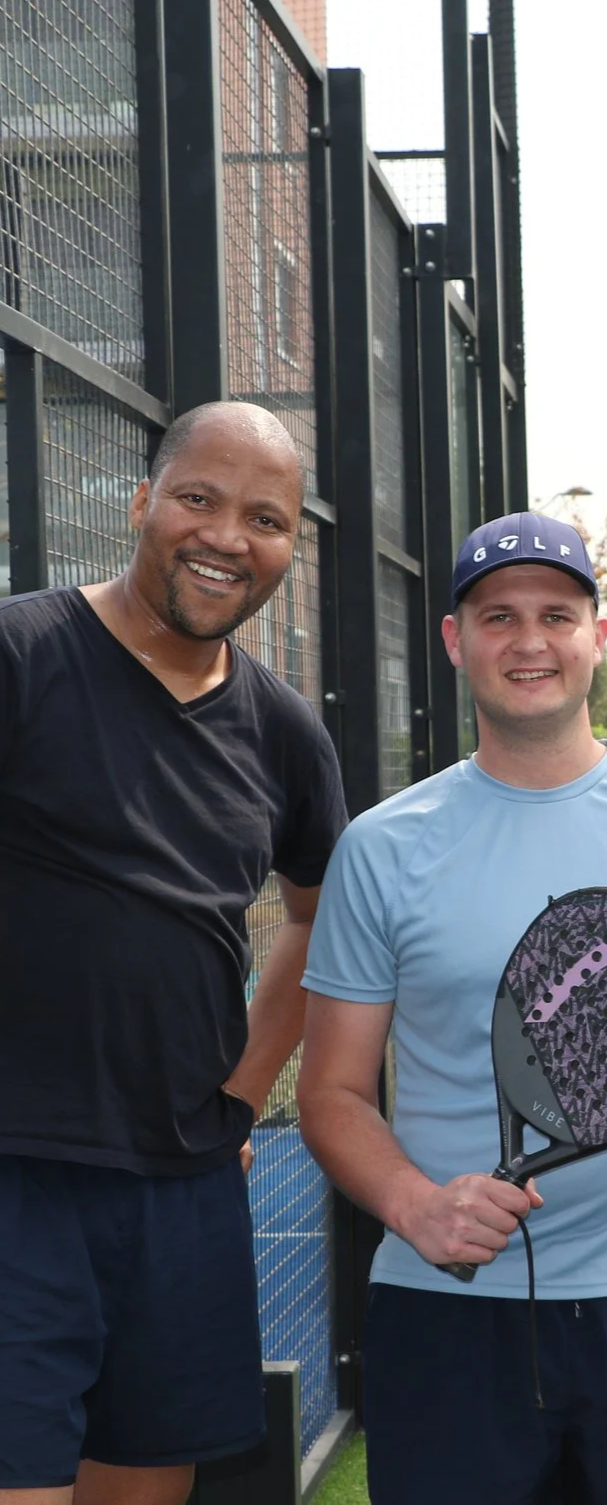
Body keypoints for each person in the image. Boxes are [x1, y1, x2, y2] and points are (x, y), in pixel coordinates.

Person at [298, 510, 607, 1505]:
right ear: (453, 640)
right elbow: (333, 1091)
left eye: (557, 614)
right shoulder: (383, 846)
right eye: (497, 615)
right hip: (446, 1309)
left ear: (598, 634)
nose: (529, 641)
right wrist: (417, 1204)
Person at [0, 401, 348, 1505]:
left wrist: (240, 1101)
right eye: (199, 498)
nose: (227, 537)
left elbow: (315, 913)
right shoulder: (20, 652)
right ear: (145, 502)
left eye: (266, 518)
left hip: (182, 1189)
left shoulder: (286, 730)